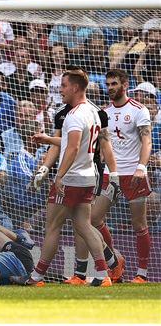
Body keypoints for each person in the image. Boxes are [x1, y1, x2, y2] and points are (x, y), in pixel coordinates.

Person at [26, 69, 112, 287]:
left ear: (74, 87)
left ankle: (37, 277)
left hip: (71, 177)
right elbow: (76, 143)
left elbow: (72, 148)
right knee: (83, 225)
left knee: (53, 226)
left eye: (63, 86)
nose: (60, 90)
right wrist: (47, 139)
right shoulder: (93, 112)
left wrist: (59, 176)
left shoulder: (73, 115)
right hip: (88, 177)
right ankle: (103, 275)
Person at [73, 70, 152, 283]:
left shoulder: (139, 109)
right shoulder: (103, 112)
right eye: (108, 84)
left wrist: (141, 167)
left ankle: (142, 274)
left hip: (134, 173)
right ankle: (115, 261)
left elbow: (147, 141)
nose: (110, 88)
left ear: (125, 85)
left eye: (114, 83)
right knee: (94, 219)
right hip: (110, 174)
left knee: (139, 224)